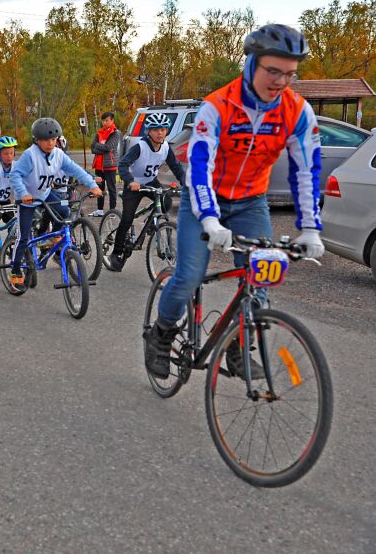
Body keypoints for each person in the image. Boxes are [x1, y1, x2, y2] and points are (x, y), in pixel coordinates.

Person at [144, 24, 324, 380]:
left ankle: (240, 350)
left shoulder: (297, 111)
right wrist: (210, 218)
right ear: (252, 64)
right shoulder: (218, 106)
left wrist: (309, 227)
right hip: (204, 203)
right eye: (273, 71)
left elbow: (307, 171)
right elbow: (199, 167)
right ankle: (161, 334)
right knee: (189, 275)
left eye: (290, 74)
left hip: (250, 203)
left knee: (259, 279)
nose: (281, 82)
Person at [8, 118, 102, 286]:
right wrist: (22, 193)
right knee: (23, 237)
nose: (50, 143)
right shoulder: (30, 155)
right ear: (37, 140)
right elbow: (15, 175)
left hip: (45, 194)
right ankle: (15, 269)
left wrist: (92, 185)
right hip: (28, 200)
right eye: (45, 140)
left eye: (53, 139)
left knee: (65, 212)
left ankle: (55, 237)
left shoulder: (58, 154)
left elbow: (76, 170)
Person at [106, 113, 186, 272]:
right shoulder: (139, 147)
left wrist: (186, 185)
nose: (160, 133)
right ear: (149, 131)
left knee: (166, 202)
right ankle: (116, 253)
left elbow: (176, 167)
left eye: (163, 129)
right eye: (156, 130)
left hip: (150, 182)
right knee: (127, 219)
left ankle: (151, 224)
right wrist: (130, 181)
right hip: (134, 184)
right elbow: (122, 165)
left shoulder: (165, 147)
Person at [91, 112, 120, 216]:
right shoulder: (99, 133)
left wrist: (98, 146)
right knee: (99, 188)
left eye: (107, 120)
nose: (104, 123)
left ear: (112, 121)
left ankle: (112, 211)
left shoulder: (115, 133)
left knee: (112, 189)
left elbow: (109, 147)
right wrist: (101, 147)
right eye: (103, 121)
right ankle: (100, 210)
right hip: (98, 166)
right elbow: (92, 148)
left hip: (110, 165)